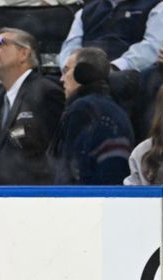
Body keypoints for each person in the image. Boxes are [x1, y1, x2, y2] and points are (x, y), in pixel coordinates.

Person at [0, 28, 64, 185]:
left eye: (0, 44)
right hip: (1, 198)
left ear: (23, 53)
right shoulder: (0, 97)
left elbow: (55, 155)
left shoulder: (46, 93)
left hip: (33, 199)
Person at [49, 48, 134, 185]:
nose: (61, 79)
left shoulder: (82, 109)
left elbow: (69, 171)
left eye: (66, 70)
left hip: (82, 202)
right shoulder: (117, 110)